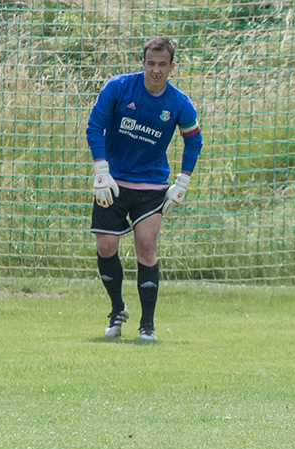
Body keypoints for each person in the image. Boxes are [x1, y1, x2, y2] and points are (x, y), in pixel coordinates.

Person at [86, 37, 203, 340]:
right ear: (143, 63)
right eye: (151, 63)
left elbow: (194, 140)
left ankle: (147, 325)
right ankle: (116, 310)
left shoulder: (179, 103)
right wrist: (101, 170)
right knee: (105, 247)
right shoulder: (119, 87)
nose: (155, 70)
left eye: (162, 65)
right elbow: (94, 125)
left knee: (146, 247)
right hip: (112, 181)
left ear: (171, 67)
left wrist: (182, 182)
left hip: (151, 184)